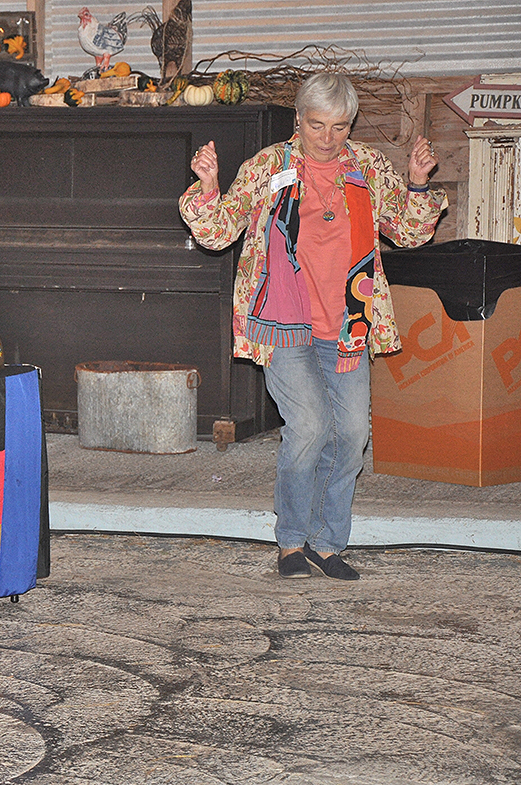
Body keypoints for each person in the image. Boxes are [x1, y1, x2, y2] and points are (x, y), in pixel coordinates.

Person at [179, 72, 446, 581]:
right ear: (298, 119)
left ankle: (328, 544)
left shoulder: (367, 166)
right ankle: (291, 542)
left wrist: (415, 182)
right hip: (284, 322)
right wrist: (209, 188)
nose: (328, 138)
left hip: (349, 322)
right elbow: (220, 232)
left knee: (350, 433)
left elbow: (408, 232)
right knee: (309, 428)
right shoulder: (269, 166)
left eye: (340, 126)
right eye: (317, 125)